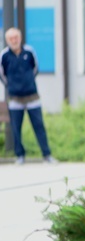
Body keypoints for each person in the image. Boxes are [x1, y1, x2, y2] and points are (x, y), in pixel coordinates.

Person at [0, 27, 56, 165]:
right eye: (11, 38)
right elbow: (2, 75)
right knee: (16, 128)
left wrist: (28, 82)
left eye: (16, 37)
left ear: (20, 38)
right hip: (14, 98)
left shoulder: (29, 51)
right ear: (7, 40)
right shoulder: (4, 55)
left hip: (32, 96)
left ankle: (47, 154)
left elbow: (35, 68)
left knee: (39, 126)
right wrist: (12, 86)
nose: (14, 40)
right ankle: (20, 156)